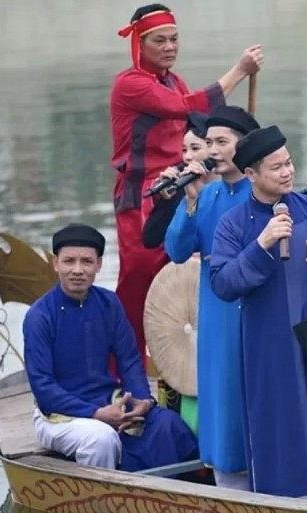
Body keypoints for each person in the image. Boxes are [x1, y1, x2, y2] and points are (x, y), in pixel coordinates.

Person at [209, 125, 307, 497]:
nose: (287, 172)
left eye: (289, 163)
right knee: (276, 425)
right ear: (251, 174)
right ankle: (280, 503)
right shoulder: (233, 223)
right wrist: (261, 245)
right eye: (276, 167)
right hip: (266, 346)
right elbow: (223, 283)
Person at [110, 3, 263, 363]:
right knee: (139, 281)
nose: (170, 47)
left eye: (174, 39)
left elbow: (198, 118)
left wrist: (240, 135)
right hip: (142, 192)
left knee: (182, 276)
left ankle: (181, 366)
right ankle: (124, 371)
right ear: (139, 44)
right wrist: (240, 71)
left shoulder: (172, 81)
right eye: (159, 41)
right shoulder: (130, 84)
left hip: (181, 184)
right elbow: (186, 106)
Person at [23, 223, 198, 472]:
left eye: (86, 261)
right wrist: (96, 413)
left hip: (110, 401)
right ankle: (107, 496)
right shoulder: (39, 316)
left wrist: (142, 400)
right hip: (59, 417)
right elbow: (44, 389)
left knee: (167, 424)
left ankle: (165, 491)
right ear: (56, 263)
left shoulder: (109, 303)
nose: (77, 270)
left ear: (99, 264)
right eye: (69, 261)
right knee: (101, 439)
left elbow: (129, 360)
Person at [164, 105, 260, 490]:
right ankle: (227, 489)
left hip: (252, 314)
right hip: (216, 318)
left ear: (245, 146)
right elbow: (176, 250)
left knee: (249, 400)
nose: (213, 150)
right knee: (219, 402)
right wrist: (188, 202)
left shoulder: (262, 195)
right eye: (209, 143)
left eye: (222, 142)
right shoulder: (206, 195)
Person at [141, 111, 215, 250]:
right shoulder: (182, 187)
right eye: (184, 150)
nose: (187, 157)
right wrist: (166, 200)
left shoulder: (229, 184)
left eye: (195, 148)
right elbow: (150, 239)